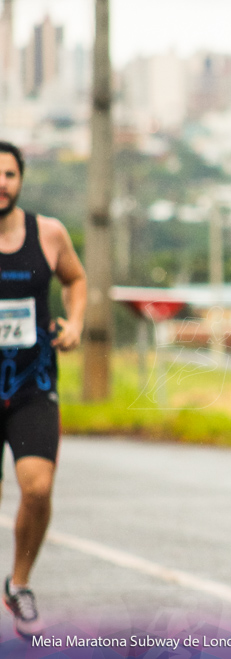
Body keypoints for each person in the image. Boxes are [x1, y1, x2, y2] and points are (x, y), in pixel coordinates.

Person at [0, 141, 86, 638]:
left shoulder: (48, 233)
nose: (2, 183)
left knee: (38, 487)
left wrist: (74, 323)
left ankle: (19, 583)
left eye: (10, 174)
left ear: (21, 179)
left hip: (33, 383)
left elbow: (76, 280)